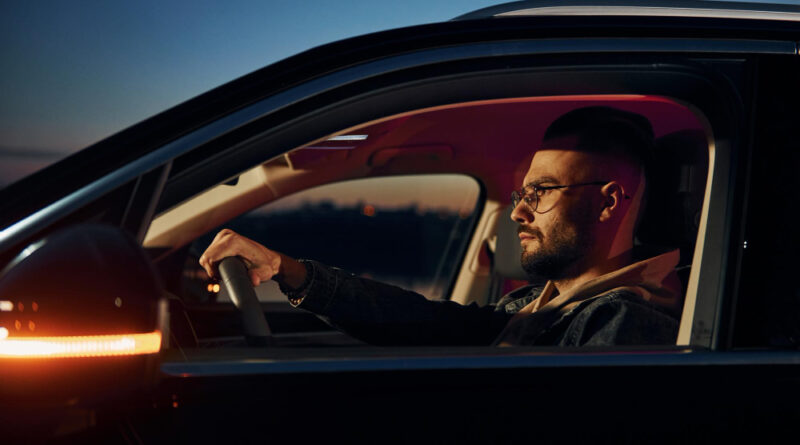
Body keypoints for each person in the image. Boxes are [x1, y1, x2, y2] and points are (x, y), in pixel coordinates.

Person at [199, 106, 683, 347]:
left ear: (607, 204)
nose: (517, 213)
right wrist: (286, 269)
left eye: (542, 192)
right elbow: (423, 322)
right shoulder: (537, 305)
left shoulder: (622, 323)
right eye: (520, 195)